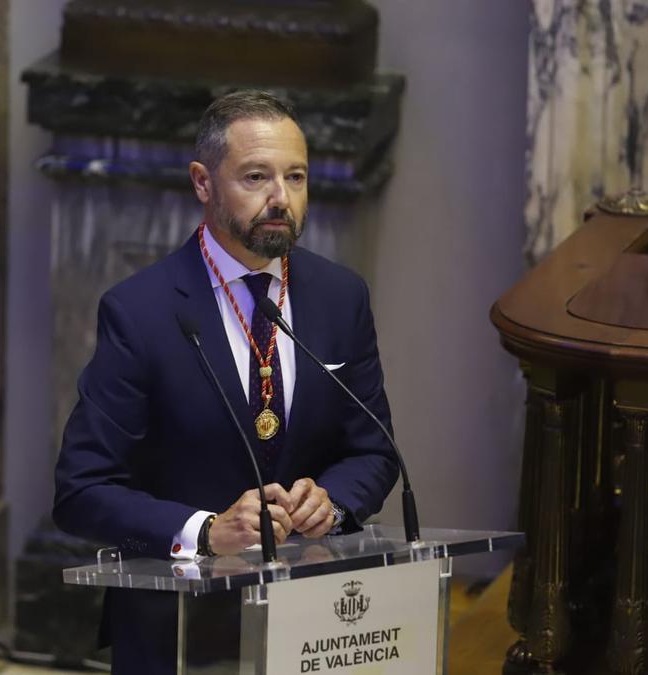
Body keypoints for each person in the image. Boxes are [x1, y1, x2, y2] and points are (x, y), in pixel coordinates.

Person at [53, 90, 399, 673]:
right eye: (256, 177)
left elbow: (375, 450)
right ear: (203, 182)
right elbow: (81, 489)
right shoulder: (141, 311)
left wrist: (333, 502)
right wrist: (206, 531)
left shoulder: (342, 298)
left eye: (295, 176)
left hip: (311, 627)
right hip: (177, 631)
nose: (280, 198)